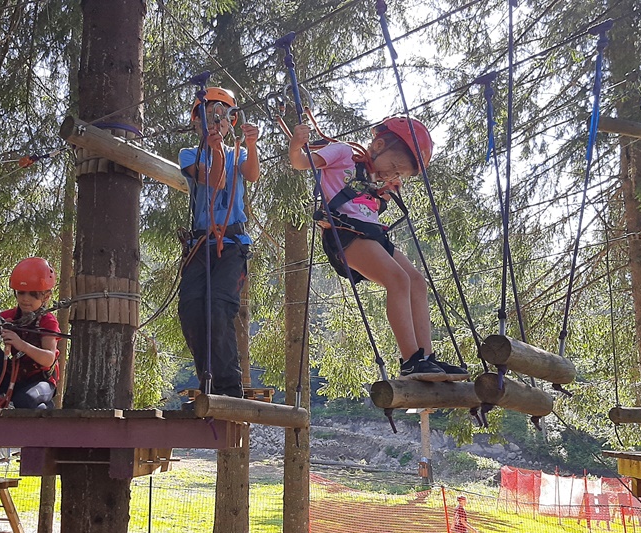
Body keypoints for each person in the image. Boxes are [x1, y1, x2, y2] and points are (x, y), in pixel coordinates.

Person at [288, 117, 467, 378]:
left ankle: (426, 357)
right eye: (393, 166)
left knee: (417, 282)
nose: (392, 175)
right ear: (379, 144)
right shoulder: (343, 153)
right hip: (345, 233)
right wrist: (296, 145)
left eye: (399, 173)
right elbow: (301, 163)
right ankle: (410, 361)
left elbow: (368, 205)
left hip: (371, 234)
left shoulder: (373, 177)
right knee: (397, 280)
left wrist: (383, 191)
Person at [178, 87, 260, 398]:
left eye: (221, 118)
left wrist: (250, 146)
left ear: (231, 122)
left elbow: (250, 175)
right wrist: (213, 149)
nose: (215, 123)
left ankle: (228, 387)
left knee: (218, 305)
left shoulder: (236, 153)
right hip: (202, 245)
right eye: (208, 117)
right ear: (196, 123)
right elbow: (215, 179)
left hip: (232, 243)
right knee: (191, 308)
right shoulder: (190, 154)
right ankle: (208, 381)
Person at [0, 257, 60, 409]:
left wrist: (21, 345)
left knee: (25, 401)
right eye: (21, 293)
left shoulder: (48, 321)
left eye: (34, 294)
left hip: (40, 381)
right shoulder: (10, 316)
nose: (26, 299)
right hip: (15, 378)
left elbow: (48, 359)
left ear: (46, 296)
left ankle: (46, 406)